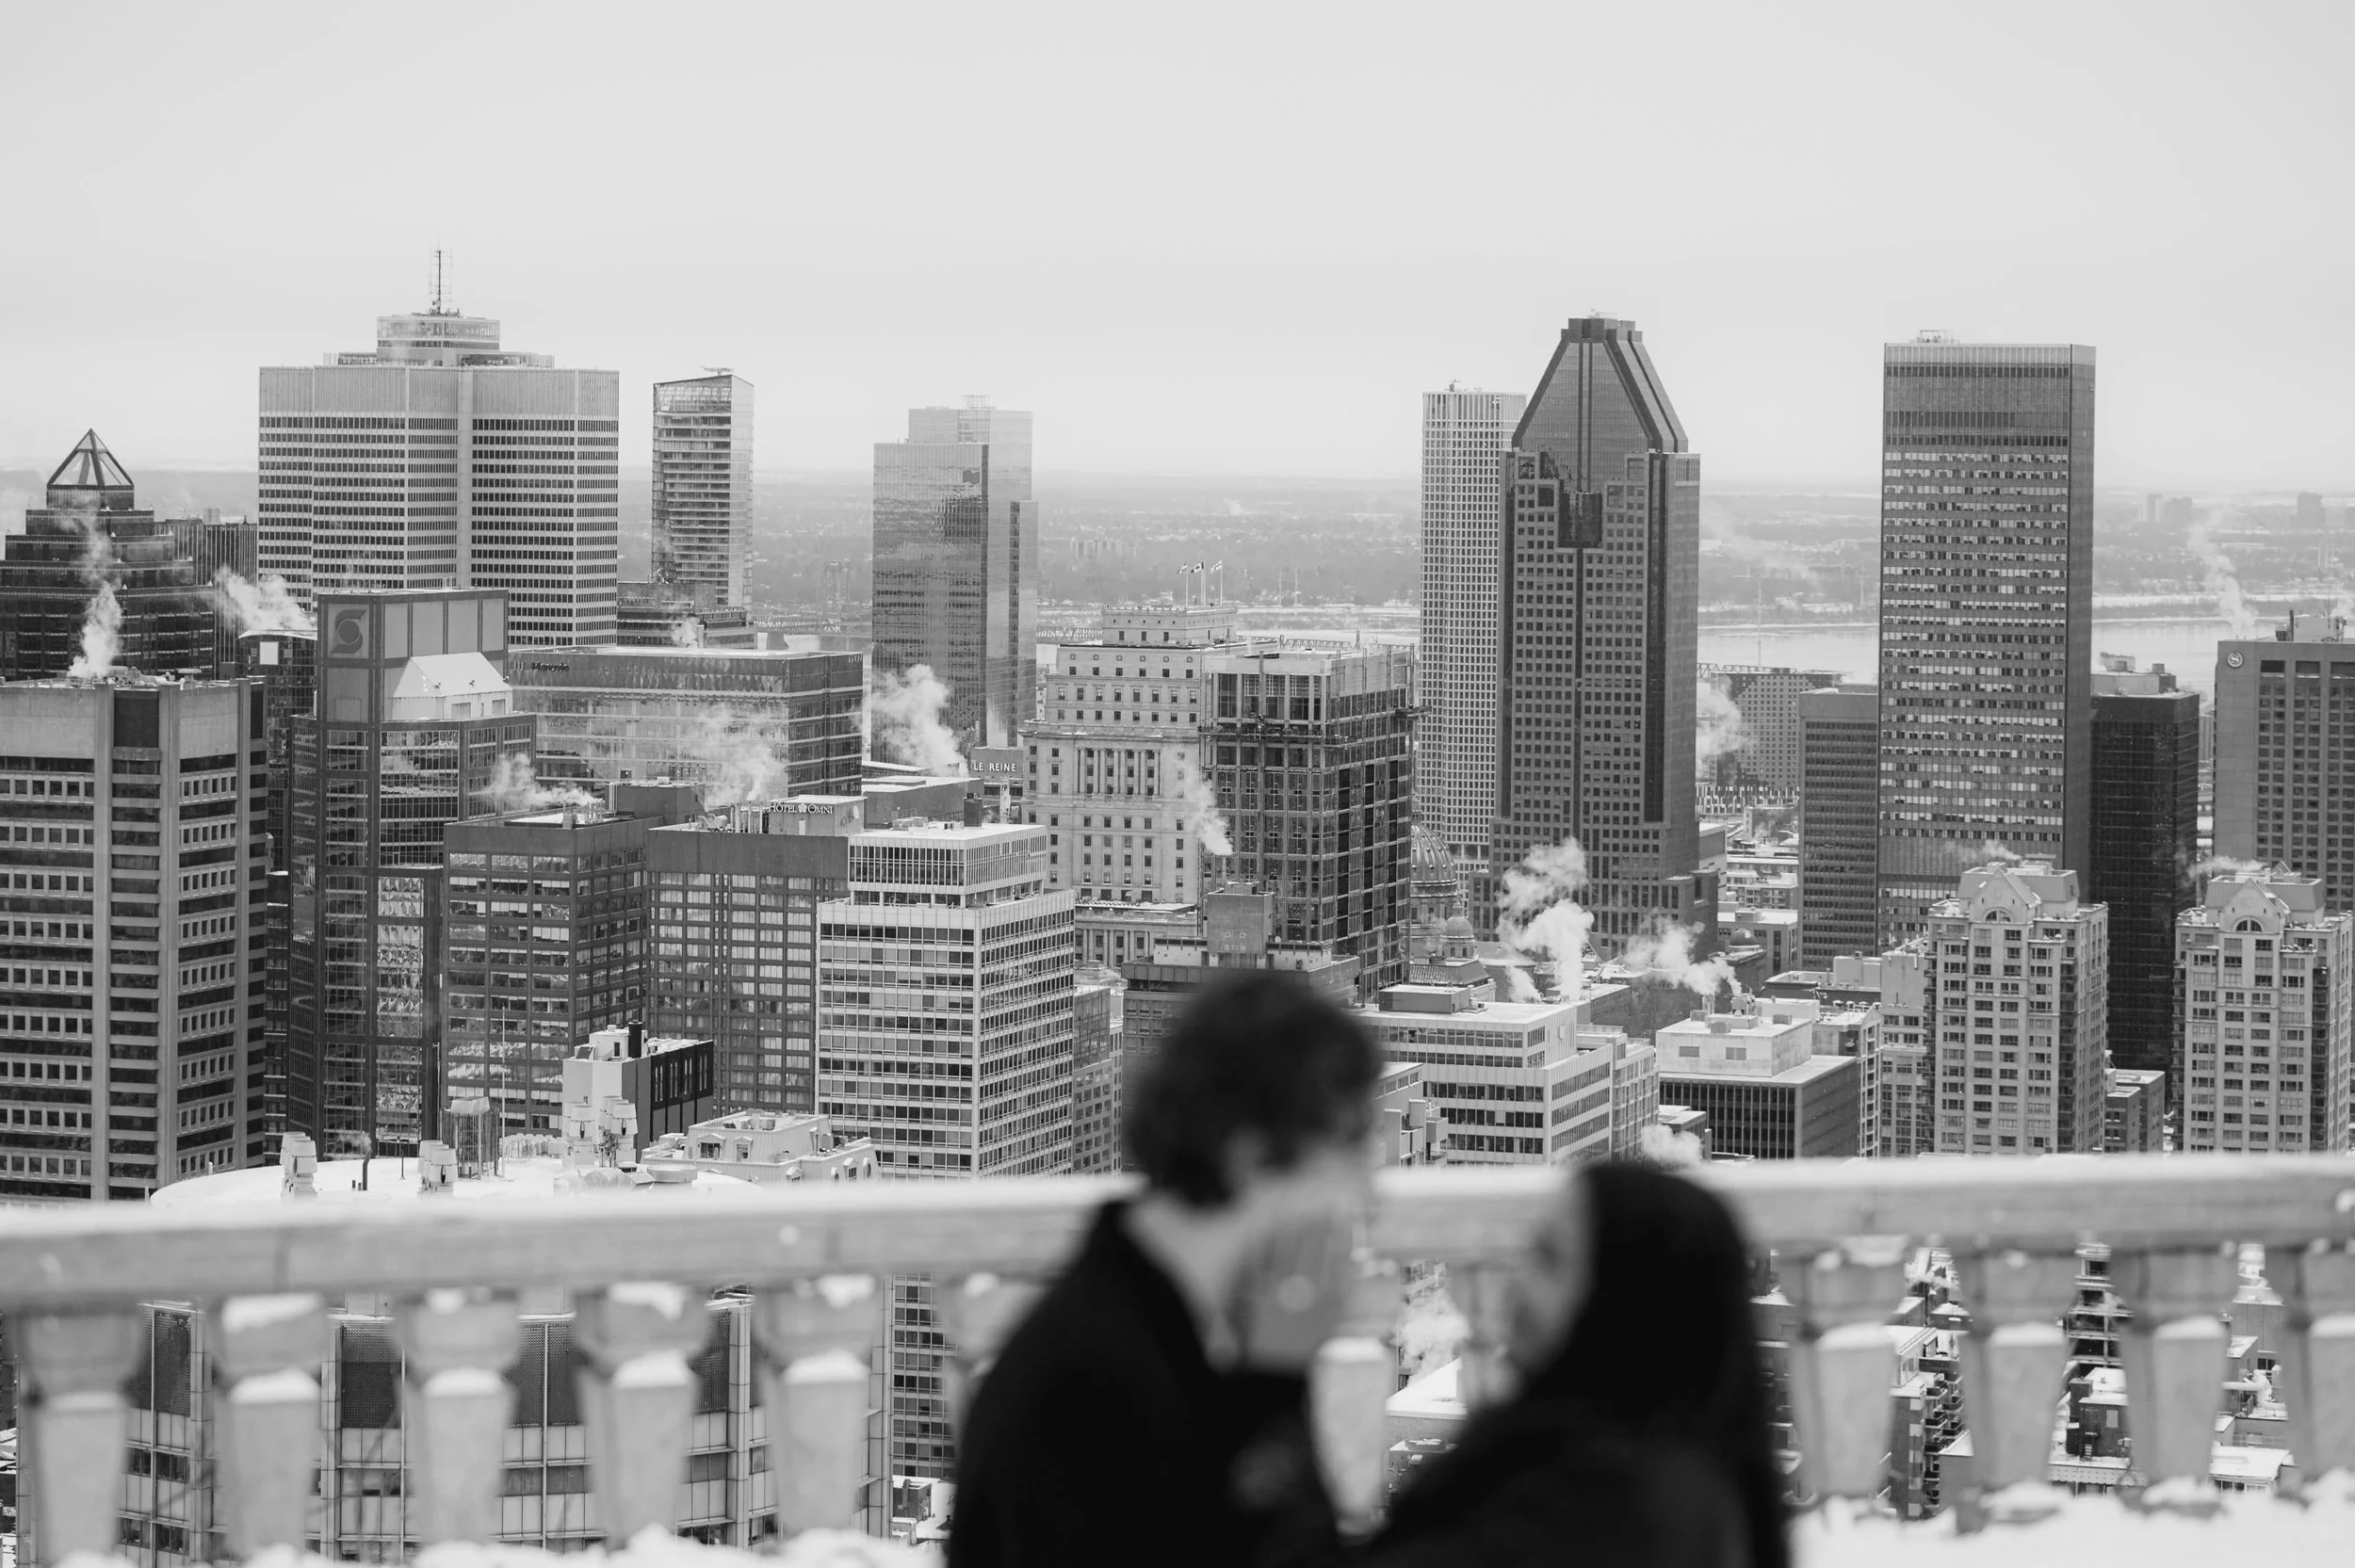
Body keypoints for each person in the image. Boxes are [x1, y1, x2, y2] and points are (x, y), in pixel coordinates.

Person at [949, 968, 1378, 1568]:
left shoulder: (1150, 1327)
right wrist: (1275, 1395)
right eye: (1351, 1144)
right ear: (1252, 1155)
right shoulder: (1096, 1383)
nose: (1366, 1191)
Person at [1356, 1160, 1789, 1568]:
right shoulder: (1662, 1471)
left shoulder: (1606, 1506)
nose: (1515, 1280)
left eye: (1549, 1257)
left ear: (1623, 1301)